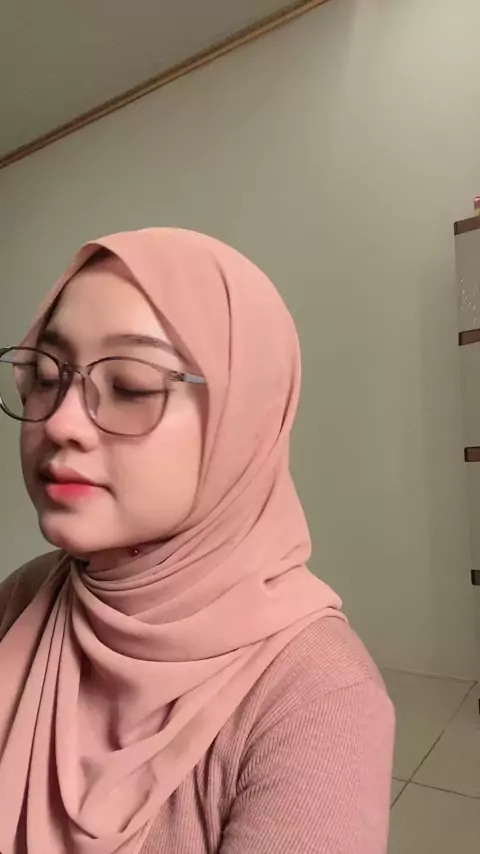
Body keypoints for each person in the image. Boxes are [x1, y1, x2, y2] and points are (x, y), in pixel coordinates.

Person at [0, 228, 394, 854]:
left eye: (130, 385)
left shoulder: (319, 698)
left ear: (245, 419)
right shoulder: (26, 594)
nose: (62, 423)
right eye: (46, 377)